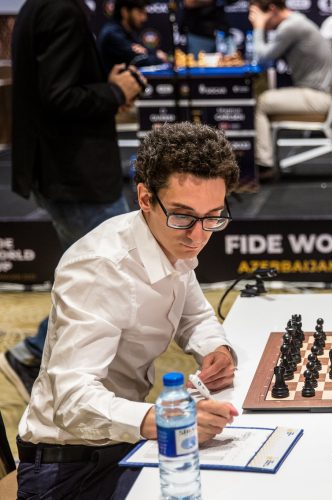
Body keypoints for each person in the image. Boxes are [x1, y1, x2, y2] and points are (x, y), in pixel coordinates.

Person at [15, 122, 241, 499]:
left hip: (124, 442)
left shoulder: (170, 240)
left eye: (213, 216)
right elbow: (72, 400)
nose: (198, 235)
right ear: (145, 198)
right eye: (183, 216)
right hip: (68, 468)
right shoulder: (100, 268)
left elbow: (195, 316)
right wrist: (159, 419)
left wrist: (215, 349)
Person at [1, 0, 145, 403]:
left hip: (62, 171)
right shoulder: (62, 9)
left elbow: (57, 83)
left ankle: (54, 363)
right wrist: (115, 90)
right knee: (118, 270)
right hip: (72, 174)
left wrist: (105, 83)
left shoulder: (45, 5)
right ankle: (35, 356)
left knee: (90, 279)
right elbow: (58, 98)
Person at [248, 0, 332, 172]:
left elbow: (262, 58)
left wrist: (258, 27)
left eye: (259, 15)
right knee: (264, 97)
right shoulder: (295, 21)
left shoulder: (291, 26)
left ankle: (264, 164)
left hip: (318, 97)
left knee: (260, 101)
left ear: (272, 9)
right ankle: (266, 159)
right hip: (317, 93)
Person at [98, 0, 169, 75]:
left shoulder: (128, 32)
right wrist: (160, 59)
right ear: (125, 12)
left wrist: (155, 53)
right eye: (140, 12)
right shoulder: (112, 34)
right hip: (110, 85)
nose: (144, 18)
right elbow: (138, 60)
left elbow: (144, 50)